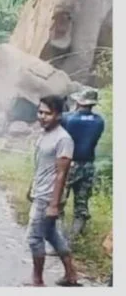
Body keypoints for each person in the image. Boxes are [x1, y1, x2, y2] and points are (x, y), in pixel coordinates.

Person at [26, 95, 80, 287]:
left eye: (47, 114)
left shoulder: (63, 139)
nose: (42, 116)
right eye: (40, 112)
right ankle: (71, 274)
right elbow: (41, 166)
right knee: (51, 234)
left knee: (34, 238)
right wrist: (31, 187)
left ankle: (37, 281)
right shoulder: (45, 134)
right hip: (39, 192)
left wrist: (54, 204)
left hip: (48, 197)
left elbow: (61, 174)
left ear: (58, 115)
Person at [60, 88, 105, 240]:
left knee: (58, 201)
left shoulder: (68, 118)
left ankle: (59, 239)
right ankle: (73, 239)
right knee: (81, 205)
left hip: (69, 164)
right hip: (88, 166)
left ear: (79, 102)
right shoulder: (99, 121)